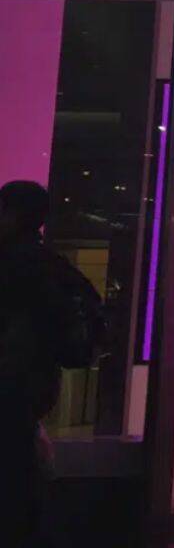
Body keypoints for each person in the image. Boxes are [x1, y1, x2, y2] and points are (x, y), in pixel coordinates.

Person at [0, 180, 101, 548]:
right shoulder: (54, 266)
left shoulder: (12, 263)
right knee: (24, 472)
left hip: (12, 384)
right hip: (37, 386)